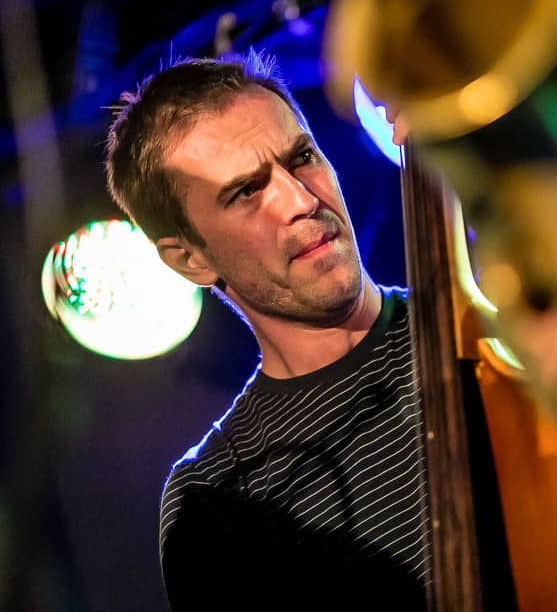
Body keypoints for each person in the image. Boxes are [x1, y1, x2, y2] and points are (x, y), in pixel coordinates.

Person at [105, 52, 436, 609]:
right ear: (189, 259)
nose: (301, 201)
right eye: (245, 192)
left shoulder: (490, 328)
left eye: (302, 157)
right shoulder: (219, 500)